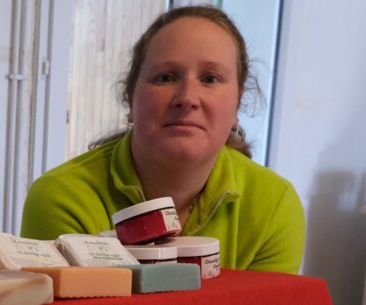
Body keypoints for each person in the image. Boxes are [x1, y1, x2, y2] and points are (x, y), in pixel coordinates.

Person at [20, 5, 305, 274]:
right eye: (166, 77)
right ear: (131, 100)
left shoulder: (274, 207)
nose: (187, 98)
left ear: (237, 105)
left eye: (210, 79)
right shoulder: (61, 199)